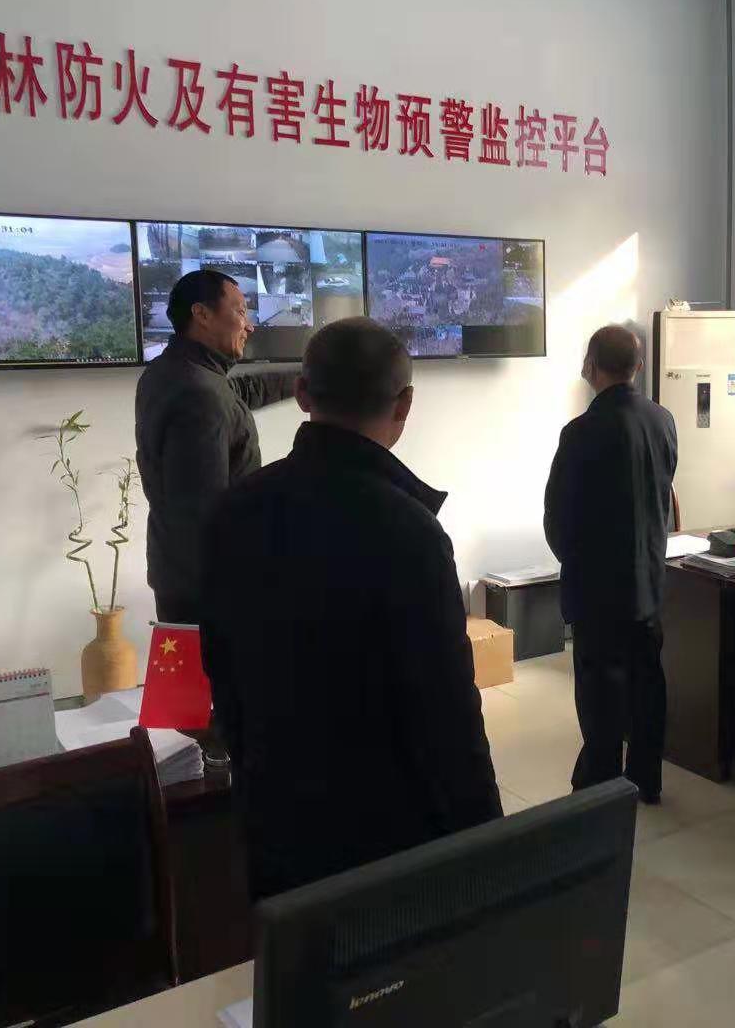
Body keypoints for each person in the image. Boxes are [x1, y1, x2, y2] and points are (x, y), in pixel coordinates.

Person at [198, 317, 501, 899]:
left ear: (302, 395)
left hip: (276, 821)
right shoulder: (410, 532)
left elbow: (224, 674)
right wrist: (487, 843)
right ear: (404, 404)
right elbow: (446, 715)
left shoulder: (234, 511)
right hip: (387, 842)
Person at [544, 325, 677, 804]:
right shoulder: (663, 420)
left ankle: (600, 790)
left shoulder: (580, 432)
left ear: (589, 366)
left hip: (598, 588)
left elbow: (558, 517)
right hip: (648, 580)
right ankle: (646, 780)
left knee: (600, 691)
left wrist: (575, 562)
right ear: (638, 367)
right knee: (647, 683)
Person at [135, 269, 298, 624]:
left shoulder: (172, 371)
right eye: (240, 311)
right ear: (202, 314)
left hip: (178, 572)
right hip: (209, 589)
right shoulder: (199, 391)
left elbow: (240, 393)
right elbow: (205, 512)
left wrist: (303, 380)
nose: (249, 326)